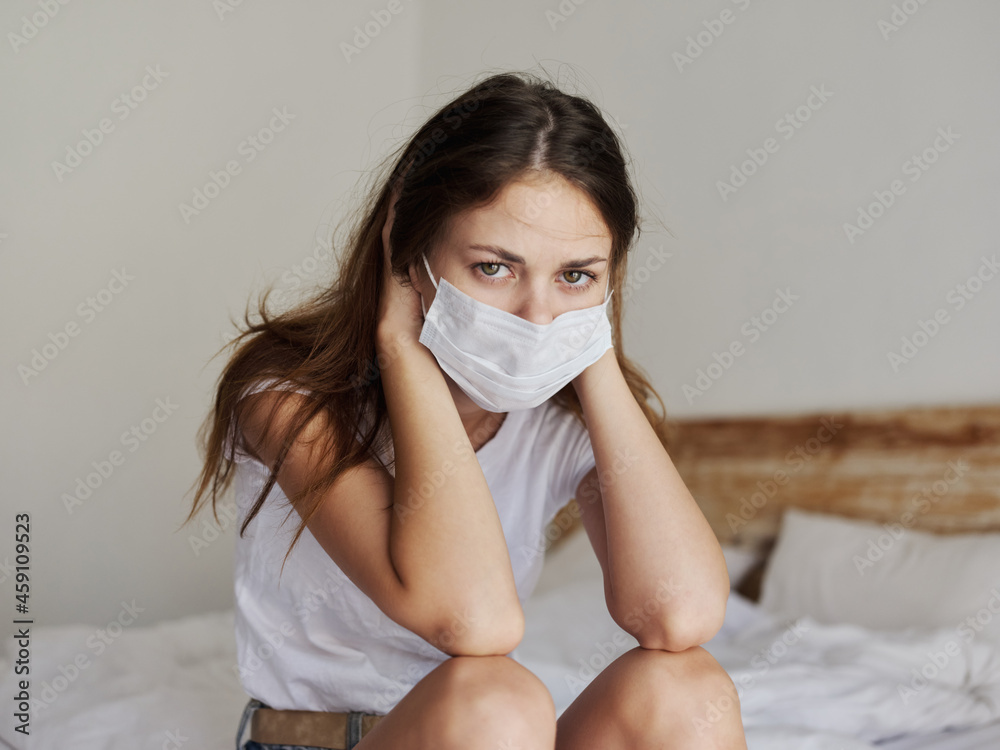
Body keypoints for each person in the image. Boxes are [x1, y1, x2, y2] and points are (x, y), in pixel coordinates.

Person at [184, 70, 747, 750]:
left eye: (575, 274)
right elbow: (472, 622)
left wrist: (592, 345)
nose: (538, 316)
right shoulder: (287, 399)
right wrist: (399, 347)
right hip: (324, 740)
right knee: (497, 702)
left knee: (686, 691)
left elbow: (678, 616)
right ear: (410, 256)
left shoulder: (560, 422)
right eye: (494, 267)